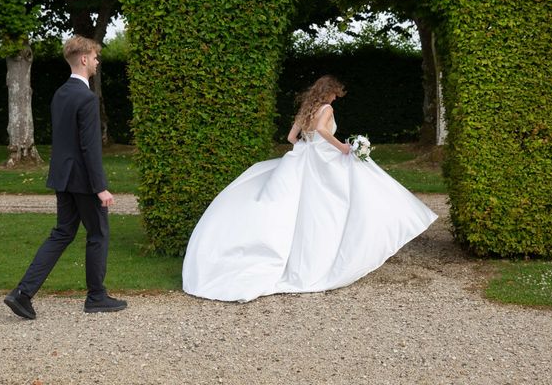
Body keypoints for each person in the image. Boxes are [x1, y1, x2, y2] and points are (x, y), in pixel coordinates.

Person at [182, 75, 438, 302]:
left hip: (300, 157)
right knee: (336, 200)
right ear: (328, 93)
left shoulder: (306, 108)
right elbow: (320, 130)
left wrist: (306, 145)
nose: (335, 99)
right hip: (321, 159)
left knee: (293, 205)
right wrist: (342, 148)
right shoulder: (325, 108)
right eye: (335, 94)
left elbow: (291, 138)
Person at [4, 35, 127, 319]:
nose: (97, 62)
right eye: (95, 57)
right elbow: (89, 147)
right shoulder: (86, 98)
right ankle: (96, 297)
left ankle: (22, 294)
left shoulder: (60, 94)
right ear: (84, 59)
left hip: (63, 177)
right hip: (83, 180)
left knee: (62, 233)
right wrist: (101, 188)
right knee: (98, 233)